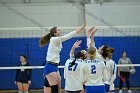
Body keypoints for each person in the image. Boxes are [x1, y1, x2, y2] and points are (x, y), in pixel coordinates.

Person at [39, 22, 86, 93]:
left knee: (57, 89)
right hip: (50, 66)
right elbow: (67, 36)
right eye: (59, 30)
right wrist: (80, 29)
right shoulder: (54, 39)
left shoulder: (58, 41)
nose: (61, 31)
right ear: (54, 33)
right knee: (56, 90)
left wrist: (73, 47)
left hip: (55, 66)